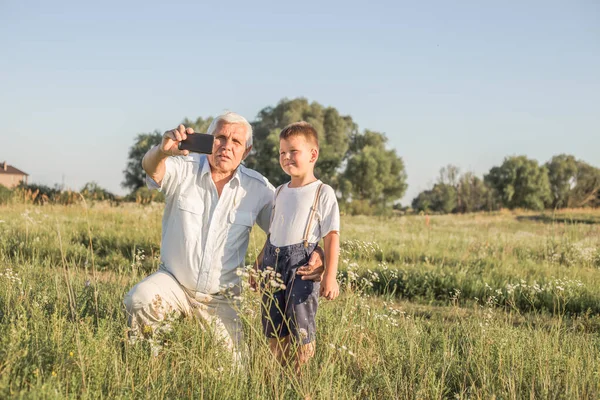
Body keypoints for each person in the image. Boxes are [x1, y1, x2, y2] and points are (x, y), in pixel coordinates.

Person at [123, 112, 325, 354]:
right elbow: (152, 169)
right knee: (140, 299)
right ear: (209, 139)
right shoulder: (184, 168)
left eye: (236, 142)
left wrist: (317, 251)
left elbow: (289, 226)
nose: (226, 147)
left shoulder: (258, 188)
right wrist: (162, 151)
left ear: (246, 151)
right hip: (173, 283)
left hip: (222, 299)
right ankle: (150, 362)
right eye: (220, 138)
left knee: (234, 374)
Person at [252, 121, 340, 371]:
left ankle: (298, 377)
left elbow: (331, 237)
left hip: (300, 264)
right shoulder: (279, 191)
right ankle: (278, 376)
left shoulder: (322, 192)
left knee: (301, 326)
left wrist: (330, 276)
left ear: (313, 154)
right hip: (273, 260)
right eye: (282, 152)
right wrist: (259, 262)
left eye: (293, 151)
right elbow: (273, 233)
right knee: (274, 327)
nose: (286, 157)